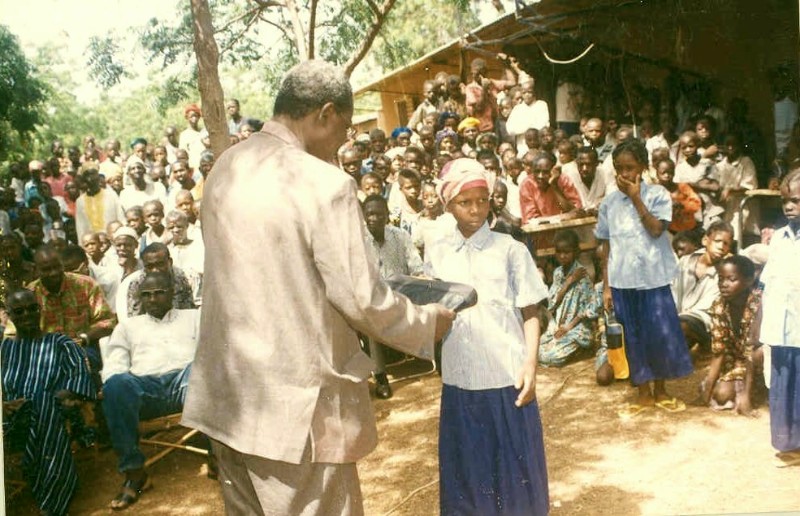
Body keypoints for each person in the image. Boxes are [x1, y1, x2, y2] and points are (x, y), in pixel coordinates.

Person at [181, 60, 454, 515]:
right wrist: (428, 324)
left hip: (227, 402)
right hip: (297, 412)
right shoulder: (324, 183)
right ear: (326, 113)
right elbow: (362, 299)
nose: (344, 142)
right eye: (345, 128)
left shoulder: (227, 167)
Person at [425, 158, 549, 515]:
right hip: (461, 379)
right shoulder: (438, 252)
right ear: (448, 205)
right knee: (470, 473)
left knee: (515, 475)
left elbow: (530, 312)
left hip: (506, 377)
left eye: (482, 200)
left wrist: (530, 364)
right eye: (465, 202)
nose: (476, 209)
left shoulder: (510, 250)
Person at [596, 139, 694, 417]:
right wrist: (606, 287)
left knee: (659, 333)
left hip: (653, 278)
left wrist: (637, 197)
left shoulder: (658, 195)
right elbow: (606, 245)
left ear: (642, 167)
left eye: (630, 167)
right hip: (622, 280)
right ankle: (643, 394)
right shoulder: (609, 203)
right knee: (634, 337)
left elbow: (655, 230)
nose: (625, 174)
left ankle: (661, 391)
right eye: (619, 168)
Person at [102, 271, 201, 510]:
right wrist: (116, 384)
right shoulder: (128, 327)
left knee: (205, 369)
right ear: (140, 299)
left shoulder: (194, 317)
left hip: (187, 383)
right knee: (115, 384)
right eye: (147, 295)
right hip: (146, 390)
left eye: (159, 293)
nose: (153, 299)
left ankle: (219, 456)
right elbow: (115, 365)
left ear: (172, 294)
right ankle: (135, 474)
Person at [2, 289, 95, 516]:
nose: (27, 315)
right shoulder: (4, 349)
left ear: (39, 309)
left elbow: (79, 377)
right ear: (10, 316)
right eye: (19, 311)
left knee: (43, 401)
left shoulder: (60, 343)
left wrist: (58, 396)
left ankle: (53, 504)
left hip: (51, 413)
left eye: (32, 308)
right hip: (9, 423)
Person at [362, 194, 424, 399]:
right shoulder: (357, 242)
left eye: (379, 214)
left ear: (387, 215)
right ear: (363, 216)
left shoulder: (400, 236)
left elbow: (415, 265)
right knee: (369, 320)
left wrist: (418, 279)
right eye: (369, 214)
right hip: (375, 300)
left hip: (403, 294)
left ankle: (440, 364)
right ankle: (381, 379)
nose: (374, 218)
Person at [760, 169, 800, 466]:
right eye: (786, 200)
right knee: (785, 381)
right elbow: (768, 283)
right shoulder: (780, 239)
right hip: (782, 327)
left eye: (796, 201)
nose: (789, 206)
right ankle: (789, 443)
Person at [697, 255, 761, 414]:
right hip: (739, 361)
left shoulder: (758, 304)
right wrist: (708, 390)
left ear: (748, 280)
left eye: (731, 279)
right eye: (720, 279)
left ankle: (754, 390)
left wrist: (745, 396)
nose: (724, 284)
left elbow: (752, 351)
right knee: (721, 395)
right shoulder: (719, 306)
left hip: (760, 359)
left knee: (760, 353)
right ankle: (750, 388)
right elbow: (719, 351)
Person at [672, 221, 734, 352]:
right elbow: (673, 291)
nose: (721, 246)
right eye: (717, 241)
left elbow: (707, 310)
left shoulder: (726, 272)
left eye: (726, 244)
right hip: (678, 315)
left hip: (705, 323)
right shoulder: (685, 262)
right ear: (705, 240)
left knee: (680, 327)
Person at [538, 230, 598, 367]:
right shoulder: (558, 273)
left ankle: (581, 350)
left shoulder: (583, 275)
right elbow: (552, 303)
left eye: (567, 252)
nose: (562, 256)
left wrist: (568, 327)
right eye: (559, 252)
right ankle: (568, 349)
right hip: (559, 324)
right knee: (537, 350)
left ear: (575, 252)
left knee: (550, 357)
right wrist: (568, 282)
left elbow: (587, 309)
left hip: (576, 327)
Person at [519, 150, 582, 224]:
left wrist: (555, 187)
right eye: (537, 171)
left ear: (553, 170)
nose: (540, 176)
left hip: (566, 230)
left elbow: (576, 211)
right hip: (539, 233)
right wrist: (563, 217)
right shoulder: (527, 184)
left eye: (545, 172)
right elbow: (531, 220)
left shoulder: (563, 180)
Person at [75, 168, 124, 241]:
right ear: (85, 182)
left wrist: (121, 235)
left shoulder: (111, 195)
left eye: (94, 178)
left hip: (112, 237)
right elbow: (80, 226)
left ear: (98, 180)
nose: (91, 181)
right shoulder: (80, 201)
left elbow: (120, 216)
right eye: (88, 179)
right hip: (92, 242)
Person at [655, 158, 701, 234]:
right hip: (670, 230)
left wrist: (683, 205)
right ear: (657, 173)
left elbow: (696, 203)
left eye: (670, 172)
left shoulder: (682, 187)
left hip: (689, 227)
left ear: (674, 173)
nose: (667, 175)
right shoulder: (655, 192)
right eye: (663, 173)